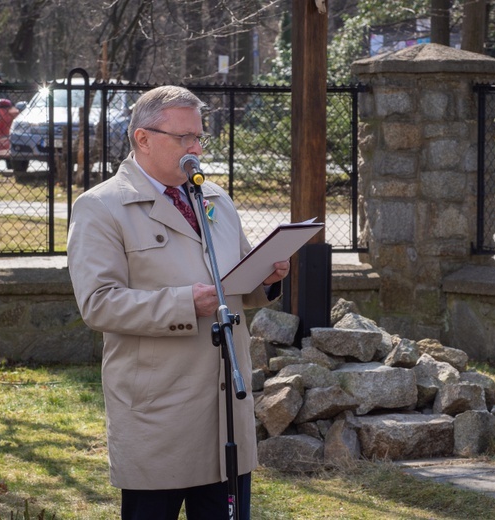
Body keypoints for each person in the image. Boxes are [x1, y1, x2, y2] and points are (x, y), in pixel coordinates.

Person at [67, 85, 290, 520]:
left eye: (199, 137)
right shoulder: (101, 207)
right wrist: (185, 303)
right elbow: (99, 304)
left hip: (226, 408)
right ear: (143, 139)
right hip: (160, 412)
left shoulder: (216, 200)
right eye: (183, 138)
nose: (195, 149)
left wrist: (264, 281)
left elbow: (235, 284)